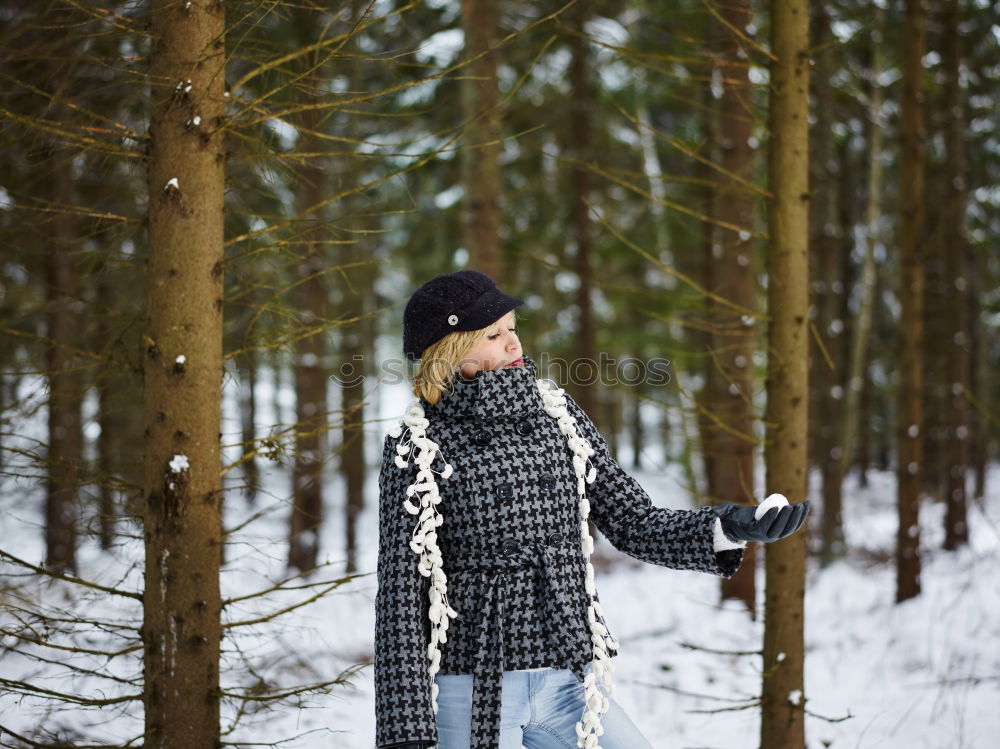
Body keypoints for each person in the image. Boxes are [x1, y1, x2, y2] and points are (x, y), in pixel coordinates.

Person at [374, 270, 810, 749]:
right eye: (493, 335)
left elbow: (633, 521)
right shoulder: (416, 447)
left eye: (512, 327)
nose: (512, 343)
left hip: (568, 678)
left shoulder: (558, 416)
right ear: (451, 351)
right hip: (472, 685)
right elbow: (400, 594)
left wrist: (728, 526)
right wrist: (405, 731)